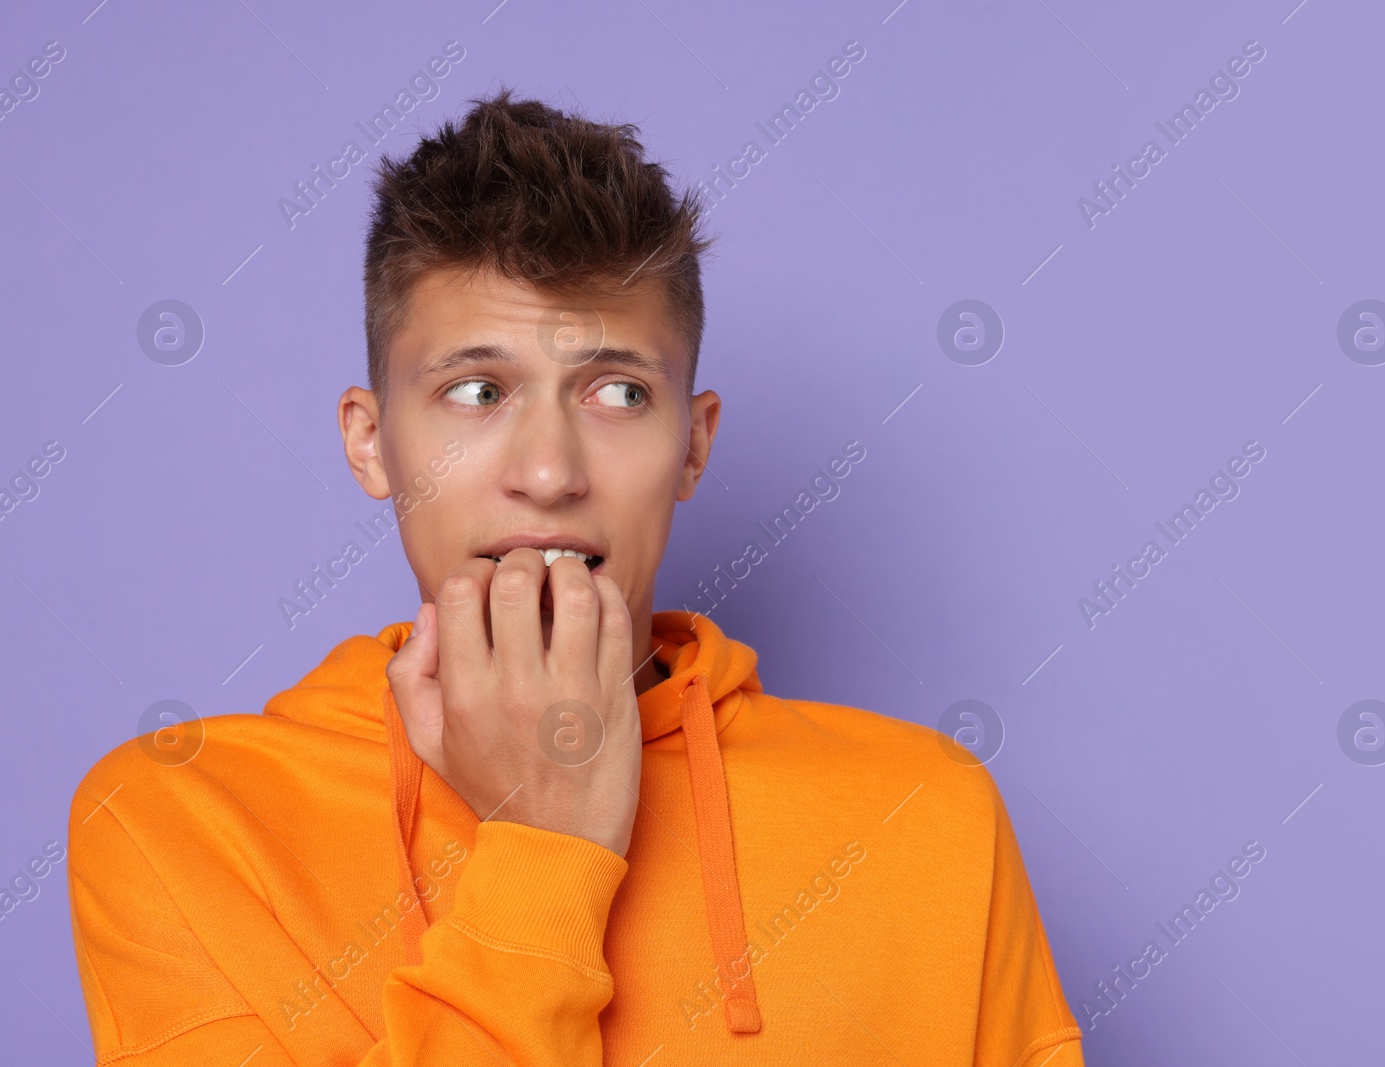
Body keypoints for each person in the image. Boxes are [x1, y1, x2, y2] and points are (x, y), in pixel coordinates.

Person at [67, 86, 1085, 1065]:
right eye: (477, 390)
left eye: (616, 392)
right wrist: (546, 850)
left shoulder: (927, 818)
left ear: (694, 445)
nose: (548, 473)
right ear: (370, 442)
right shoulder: (184, 820)